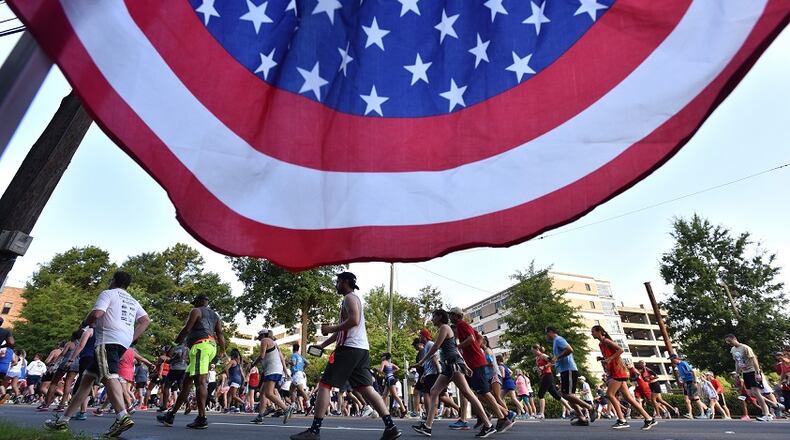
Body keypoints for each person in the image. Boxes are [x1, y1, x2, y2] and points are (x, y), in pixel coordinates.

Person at [290, 272, 401, 440]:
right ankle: (391, 427)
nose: (336, 284)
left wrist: (330, 329)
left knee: (325, 385)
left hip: (349, 349)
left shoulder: (349, 298)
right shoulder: (352, 299)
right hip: (361, 350)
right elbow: (346, 328)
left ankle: (314, 431)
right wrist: (323, 345)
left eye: (338, 281)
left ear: (345, 282)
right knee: (366, 388)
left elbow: (354, 320)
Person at [44, 271, 151, 437]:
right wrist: (131, 338)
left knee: (109, 375)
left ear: (114, 280)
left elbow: (97, 314)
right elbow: (146, 320)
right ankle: (63, 421)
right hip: (122, 342)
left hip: (107, 339)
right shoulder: (133, 300)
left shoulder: (108, 293)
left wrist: (85, 323)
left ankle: (122, 416)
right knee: (86, 380)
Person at [411, 309, 498, 438]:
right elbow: (454, 349)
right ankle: (427, 426)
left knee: (468, 393)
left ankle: (488, 425)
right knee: (434, 391)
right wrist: (466, 365)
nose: (432, 319)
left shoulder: (445, 328)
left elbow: (436, 347)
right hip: (449, 365)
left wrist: (422, 362)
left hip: (453, 365)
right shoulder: (443, 329)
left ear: (440, 317)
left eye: (434, 316)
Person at [157, 293, 225, 429]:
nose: (193, 304)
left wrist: (173, 345)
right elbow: (220, 334)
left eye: (195, 302)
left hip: (201, 346)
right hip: (210, 346)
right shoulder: (215, 315)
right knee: (187, 382)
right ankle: (171, 415)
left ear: (200, 301)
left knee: (200, 382)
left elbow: (187, 329)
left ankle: (202, 418)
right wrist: (222, 350)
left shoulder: (196, 311)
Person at [448, 307, 513, 432]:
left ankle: (503, 417)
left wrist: (459, 346)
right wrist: (475, 348)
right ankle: (500, 414)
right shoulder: (466, 326)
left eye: (451, 314)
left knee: (484, 393)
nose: (450, 317)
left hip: (476, 364)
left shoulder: (461, 324)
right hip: (475, 363)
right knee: (480, 394)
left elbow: (472, 339)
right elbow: (479, 337)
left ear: (456, 316)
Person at [591, 325, 656, 430]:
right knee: (628, 398)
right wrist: (603, 358)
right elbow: (611, 355)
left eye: (593, 331)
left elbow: (620, 350)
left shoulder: (606, 341)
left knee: (610, 395)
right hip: (615, 372)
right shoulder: (601, 344)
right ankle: (648, 418)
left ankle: (622, 420)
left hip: (618, 372)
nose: (592, 334)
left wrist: (609, 359)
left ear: (600, 332)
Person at [546, 327, 596, 425]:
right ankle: (582, 419)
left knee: (565, 394)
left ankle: (590, 407)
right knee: (569, 396)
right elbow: (560, 357)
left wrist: (557, 357)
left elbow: (569, 349)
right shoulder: (556, 341)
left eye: (546, 333)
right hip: (565, 370)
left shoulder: (558, 339)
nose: (546, 336)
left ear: (551, 332)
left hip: (568, 370)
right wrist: (553, 362)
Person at [250, 329, 296, 424]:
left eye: (260, 338)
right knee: (263, 392)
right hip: (275, 369)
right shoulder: (274, 343)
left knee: (268, 393)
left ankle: (286, 408)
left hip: (272, 370)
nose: (259, 340)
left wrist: (253, 364)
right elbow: (281, 357)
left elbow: (262, 356)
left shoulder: (265, 340)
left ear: (263, 335)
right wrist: (284, 370)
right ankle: (260, 416)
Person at [531, 344, 572, 419]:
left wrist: (545, 366)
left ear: (536, 349)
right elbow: (540, 368)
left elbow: (553, 362)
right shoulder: (537, 358)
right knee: (556, 395)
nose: (532, 351)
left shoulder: (543, 356)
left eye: (532, 350)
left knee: (540, 394)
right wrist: (537, 369)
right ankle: (571, 410)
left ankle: (541, 414)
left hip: (548, 376)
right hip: (543, 377)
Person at [668, 354, 708, 419]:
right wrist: (683, 382)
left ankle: (705, 411)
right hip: (687, 382)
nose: (672, 361)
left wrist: (694, 381)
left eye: (672, 359)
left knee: (695, 397)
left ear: (676, 358)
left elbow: (692, 371)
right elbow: (683, 375)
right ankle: (704, 410)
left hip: (691, 381)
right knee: (691, 398)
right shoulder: (678, 366)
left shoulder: (683, 363)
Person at [159, 343, 188, 412]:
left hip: (175, 368)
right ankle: (188, 404)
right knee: (181, 388)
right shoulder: (187, 347)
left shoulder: (178, 346)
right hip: (183, 368)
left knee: (167, 386)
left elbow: (178, 355)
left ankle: (164, 406)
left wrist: (171, 360)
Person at [290, 343, 310, 412]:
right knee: (291, 389)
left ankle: (308, 405)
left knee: (301, 390)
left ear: (293, 348)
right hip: (299, 373)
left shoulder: (294, 355)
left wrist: (286, 361)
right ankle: (293, 405)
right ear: (298, 349)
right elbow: (308, 362)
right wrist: (302, 368)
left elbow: (293, 363)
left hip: (296, 373)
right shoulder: (300, 356)